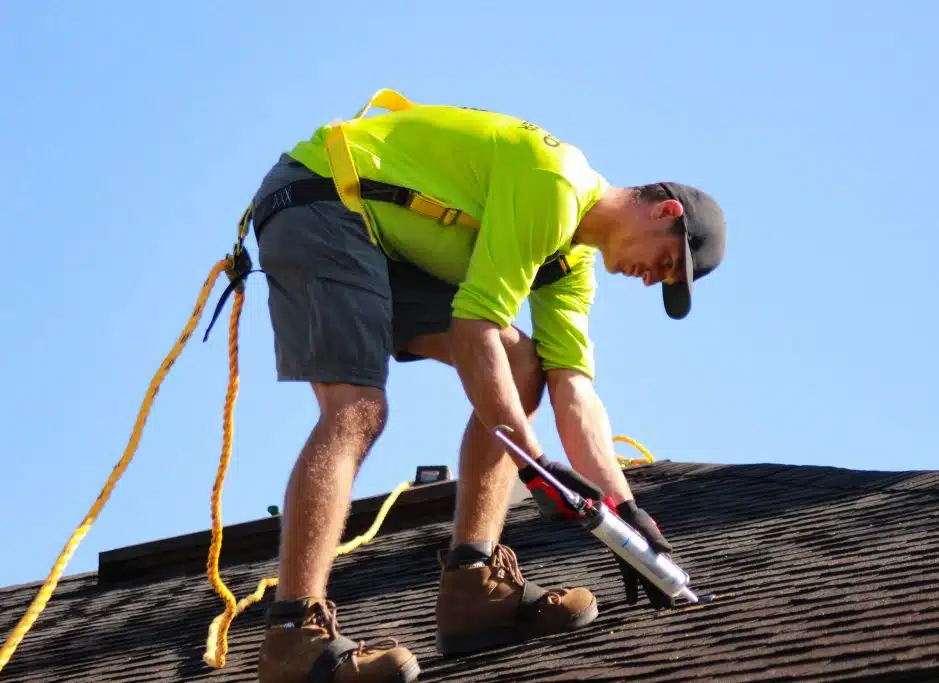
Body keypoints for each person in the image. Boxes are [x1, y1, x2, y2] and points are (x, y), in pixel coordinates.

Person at [249, 89, 727, 683]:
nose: (654, 280)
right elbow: (474, 329)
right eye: (668, 264)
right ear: (666, 213)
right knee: (357, 408)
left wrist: (625, 510)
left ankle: (473, 591)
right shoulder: (554, 183)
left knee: (524, 364)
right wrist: (533, 462)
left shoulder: (569, 264)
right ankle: (293, 635)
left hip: (386, 237)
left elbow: (572, 390)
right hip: (323, 197)